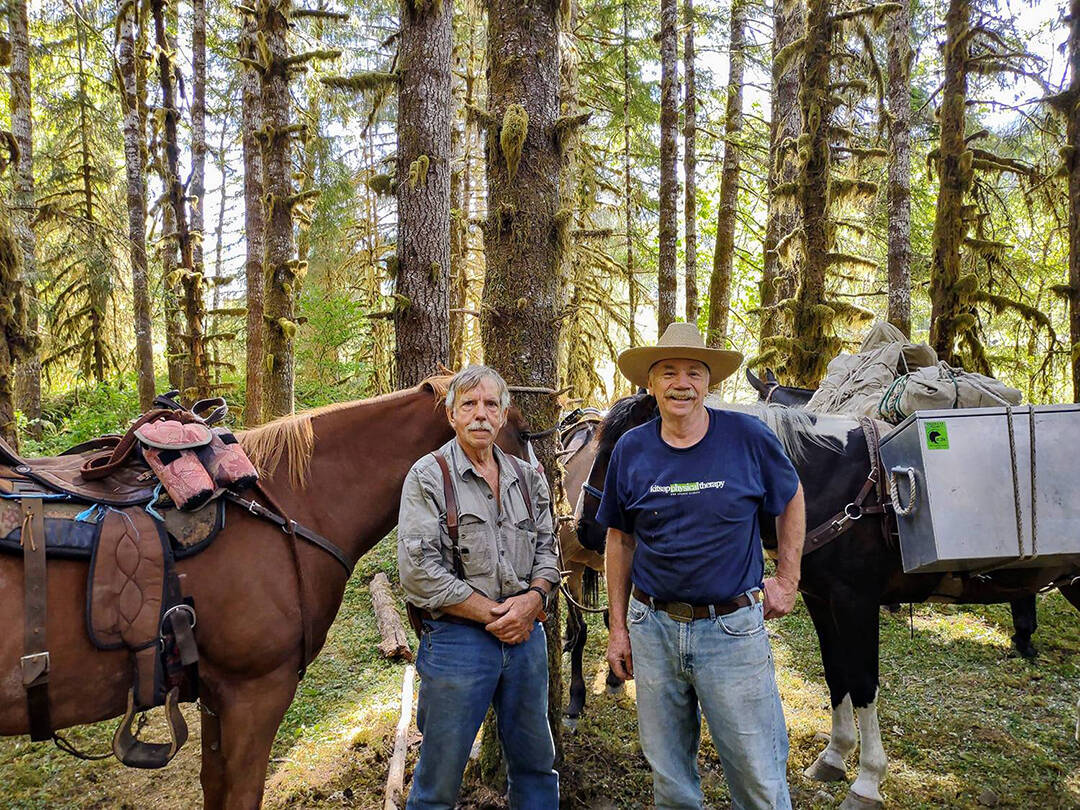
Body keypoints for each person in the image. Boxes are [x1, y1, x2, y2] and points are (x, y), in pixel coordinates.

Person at [597, 322, 806, 810]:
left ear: (709, 383)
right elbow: (619, 538)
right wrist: (618, 628)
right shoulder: (631, 449)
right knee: (669, 778)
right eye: (669, 372)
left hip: (731, 629)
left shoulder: (748, 437)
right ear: (650, 384)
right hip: (653, 629)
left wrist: (788, 579)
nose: (682, 383)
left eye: (694, 372)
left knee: (757, 773)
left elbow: (791, 496)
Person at [397, 364, 560, 810]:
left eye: (491, 404)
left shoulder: (528, 478)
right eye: (468, 404)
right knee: (438, 782)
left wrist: (532, 600)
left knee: (536, 768)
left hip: (526, 641)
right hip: (456, 642)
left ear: (504, 414)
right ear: (452, 415)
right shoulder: (428, 477)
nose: (480, 415)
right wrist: (499, 614)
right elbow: (418, 572)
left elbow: (549, 550)